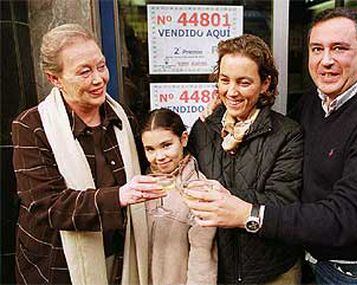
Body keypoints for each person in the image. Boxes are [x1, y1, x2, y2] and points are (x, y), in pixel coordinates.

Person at [186, 8, 357, 285]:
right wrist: (224, 113)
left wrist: (247, 212)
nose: (325, 60)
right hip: (310, 257)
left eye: (339, 48)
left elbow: (348, 216)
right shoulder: (314, 102)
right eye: (317, 49)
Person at [12, 24, 165, 284]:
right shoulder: (31, 126)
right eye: (84, 71)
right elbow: (48, 206)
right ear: (54, 79)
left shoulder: (122, 117)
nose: (99, 79)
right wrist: (119, 196)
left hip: (121, 259)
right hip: (59, 267)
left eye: (101, 66)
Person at [186, 34, 304, 284]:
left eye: (244, 82)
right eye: (224, 80)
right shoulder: (203, 129)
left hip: (273, 273)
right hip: (216, 270)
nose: (232, 91)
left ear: (265, 83)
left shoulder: (287, 134)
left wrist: (223, 198)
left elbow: (283, 202)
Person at [140, 108, 217, 285]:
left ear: (183, 139)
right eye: (150, 149)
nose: (159, 157)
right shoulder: (139, 186)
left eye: (166, 145)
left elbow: (202, 259)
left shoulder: (199, 190)